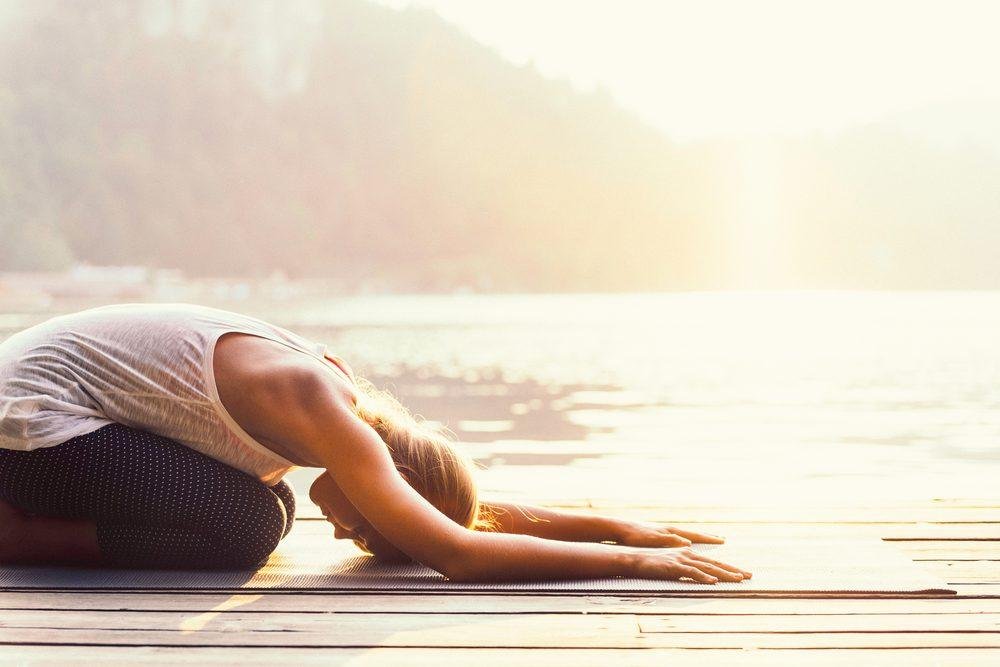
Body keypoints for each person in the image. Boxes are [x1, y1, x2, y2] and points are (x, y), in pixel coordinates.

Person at [0, 303, 750, 583]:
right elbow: (456, 551)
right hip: (29, 423)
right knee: (248, 524)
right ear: (387, 476)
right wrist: (636, 560)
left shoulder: (347, 415)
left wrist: (611, 520)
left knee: (273, 509)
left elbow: (462, 514)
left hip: (47, 416)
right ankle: (17, 534)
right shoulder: (321, 405)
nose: (345, 526)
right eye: (367, 523)